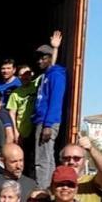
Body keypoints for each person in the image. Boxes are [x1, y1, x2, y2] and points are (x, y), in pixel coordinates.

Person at [32, 37, 67, 189]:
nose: (38, 61)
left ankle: (42, 190)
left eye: (42, 58)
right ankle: (50, 187)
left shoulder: (56, 76)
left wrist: (48, 124)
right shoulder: (47, 75)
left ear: (48, 59)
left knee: (43, 159)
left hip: (47, 121)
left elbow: (55, 100)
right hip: (42, 120)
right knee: (46, 156)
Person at [6, 65, 37, 151]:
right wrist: (15, 131)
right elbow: (12, 113)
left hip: (36, 127)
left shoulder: (37, 86)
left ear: (31, 74)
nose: (24, 77)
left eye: (27, 74)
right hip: (22, 131)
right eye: (21, 75)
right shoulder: (15, 94)